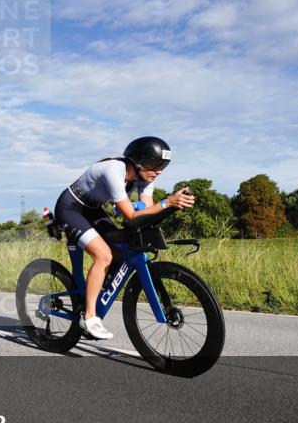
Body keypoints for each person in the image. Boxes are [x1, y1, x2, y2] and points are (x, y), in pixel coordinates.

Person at [53, 136, 195, 340]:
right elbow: (131, 216)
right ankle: (89, 316)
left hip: (93, 210)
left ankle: (97, 288)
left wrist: (166, 207)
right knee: (103, 256)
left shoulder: (145, 179)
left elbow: (145, 212)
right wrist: (167, 203)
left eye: (163, 166)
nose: (159, 171)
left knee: (121, 244)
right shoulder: (114, 170)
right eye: (155, 165)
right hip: (70, 208)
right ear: (138, 162)